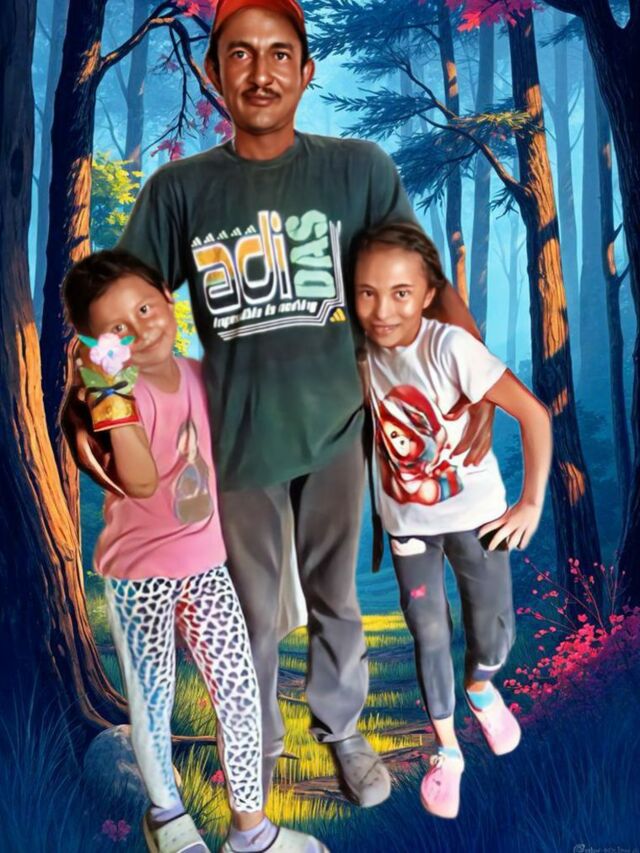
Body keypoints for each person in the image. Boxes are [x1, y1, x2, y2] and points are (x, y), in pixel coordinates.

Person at [63, 0, 495, 806]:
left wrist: (477, 381)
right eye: (238, 54)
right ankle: (253, 747)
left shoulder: (358, 169)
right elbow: (120, 304)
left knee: (336, 598)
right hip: (235, 439)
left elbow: (424, 280)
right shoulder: (181, 189)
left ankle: (342, 728)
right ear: (212, 71)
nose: (260, 73)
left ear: (305, 70)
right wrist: (86, 399)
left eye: (278, 54)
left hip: (336, 428)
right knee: (251, 613)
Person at [62, 250, 328, 853]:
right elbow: (140, 482)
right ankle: (169, 820)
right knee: (153, 698)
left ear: (167, 296)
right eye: (118, 328)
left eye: (145, 308)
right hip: (140, 574)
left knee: (239, 694)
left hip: (206, 566)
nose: (141, 328)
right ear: (99, 344)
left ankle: (250, 832)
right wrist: (107, 393)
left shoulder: (198, 375)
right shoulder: (121, 396)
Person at [353, 221, 552, 819]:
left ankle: (482, 689)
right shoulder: (360, 354)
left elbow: (533, 414)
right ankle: (448, 750)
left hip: (477, 518)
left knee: (494, 631)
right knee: (429, 632)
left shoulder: (450, 348)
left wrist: (530, 502)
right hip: (409, 526)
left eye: (400, 293)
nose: (383, 311)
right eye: (367, 293)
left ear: (427, 292)